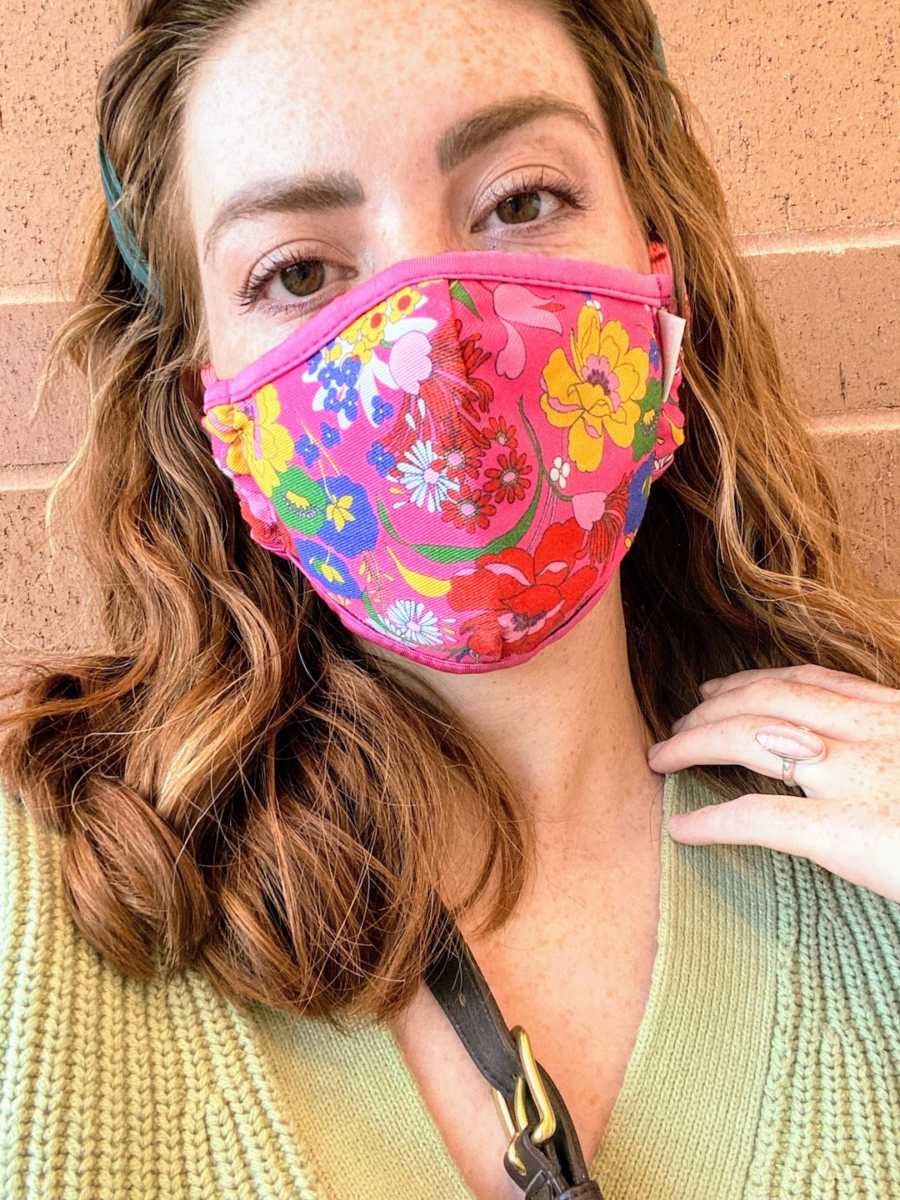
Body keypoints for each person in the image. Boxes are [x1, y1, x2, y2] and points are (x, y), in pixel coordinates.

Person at [2, 1, 899, 1197]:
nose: (435, 343)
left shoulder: (875, 842)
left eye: (522, 199)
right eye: (299, 270)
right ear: (206, 394)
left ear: (653, 251)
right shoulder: (37, 901)